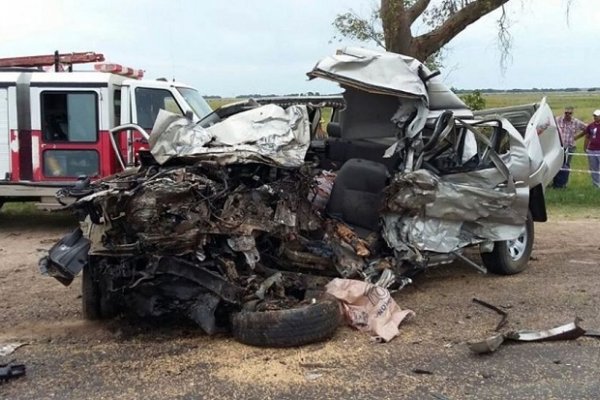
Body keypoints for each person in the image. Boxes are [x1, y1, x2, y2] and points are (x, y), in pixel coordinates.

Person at [552, 106, 586, 188]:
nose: (567, 115)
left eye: (569, 113)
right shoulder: (558, 120)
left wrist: (577, 137)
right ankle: (555, 183)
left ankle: (563, 184)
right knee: (556, 164)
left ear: (572, 113)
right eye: (566, 113)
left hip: (570, 146)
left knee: (566, 165)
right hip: (558, 146)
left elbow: (587, 128)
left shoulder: (576, 122)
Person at [583, 109, 600, 188]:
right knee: (594, 168)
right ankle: (596, 185)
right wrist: (585, 147)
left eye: (597, 116)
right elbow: (587, 136)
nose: (595, 117)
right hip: (592, 149)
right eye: (594, 116)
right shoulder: (590, 126)